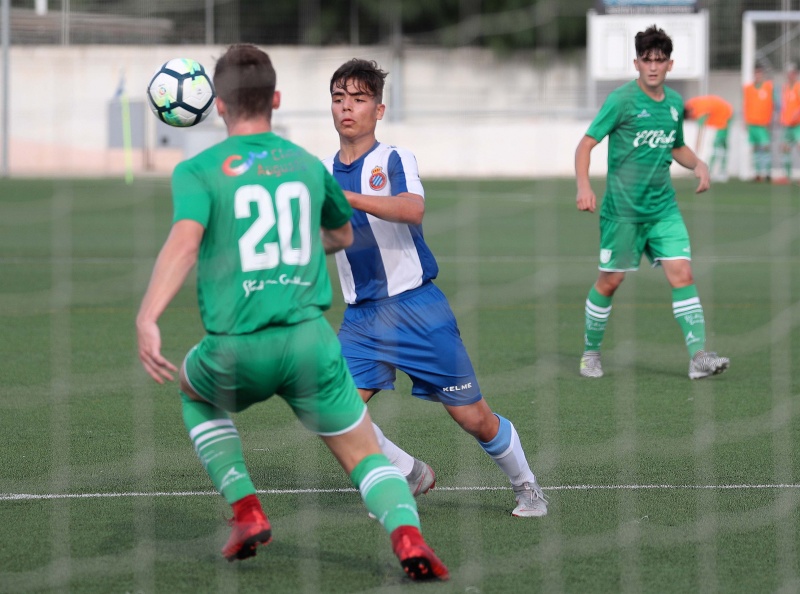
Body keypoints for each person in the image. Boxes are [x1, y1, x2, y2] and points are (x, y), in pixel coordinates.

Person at [136, 44, 448, 581]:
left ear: (218, 105)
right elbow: (342, 234)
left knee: (195, 393)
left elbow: (184, 243)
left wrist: (148, 316)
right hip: (310, 343)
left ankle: (246, 509)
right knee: (364, 455)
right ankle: (409, 539)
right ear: (276, 100)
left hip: (237, 345)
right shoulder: (307, 164)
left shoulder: (198, 170)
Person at [322, 58, 548, 518]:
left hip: (417, 309)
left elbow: (412, 209)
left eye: (359, 99)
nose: (347, 107)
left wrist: (348, 199)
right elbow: (331, 238)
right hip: (362, 318)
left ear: (378, 110)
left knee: (473, 418)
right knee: (332, 411)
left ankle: (526, 485)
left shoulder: (393, 159)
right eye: (339, 98)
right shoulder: (321, 171)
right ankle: (407, 472)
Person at [574, 25, 730, 380]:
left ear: (670, 64)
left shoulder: (674, 104)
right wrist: (584, 186)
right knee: (610, 282)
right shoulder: (621, 100)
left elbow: (676, 146)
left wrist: (698, 163)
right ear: (637, 63)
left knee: (683, 274)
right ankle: (591, 353)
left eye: (660, 60)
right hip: (623, 213)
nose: (653, 67)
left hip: (663, 210)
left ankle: (698, 358)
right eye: (647, 60)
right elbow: (585, 145)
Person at [683, 95, 734, 182]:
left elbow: (700, 130)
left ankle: (717, 171)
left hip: (724, 115)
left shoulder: (699, 110)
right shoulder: (690, 105)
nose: (692, 119)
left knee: (718, 145)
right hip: (721, 115)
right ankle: (713, 171)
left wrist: (697, 146)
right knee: (720, 145)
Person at [743, 64, 775, 182]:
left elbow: (771, 105)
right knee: (755, 148)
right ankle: (757, 173)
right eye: (756, 73)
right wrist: (745, 121)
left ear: (762, 75)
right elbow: (746, 105)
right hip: (752, 122)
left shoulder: (768, 87)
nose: (758, 75)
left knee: (765, 147)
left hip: (763, 123)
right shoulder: (748, 88)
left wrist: (770, 120)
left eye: (760, 73)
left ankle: (767, 172)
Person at [775, 62, 800, 184]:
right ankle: (787, 176)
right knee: (785, 148)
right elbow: (784, 105)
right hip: (787, 124)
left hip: (798, 125)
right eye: (789, 73)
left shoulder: (798, 87)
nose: (791, 75)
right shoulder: (784, 88)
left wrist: (797, 113)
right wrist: (782, 117)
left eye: (793, 73)